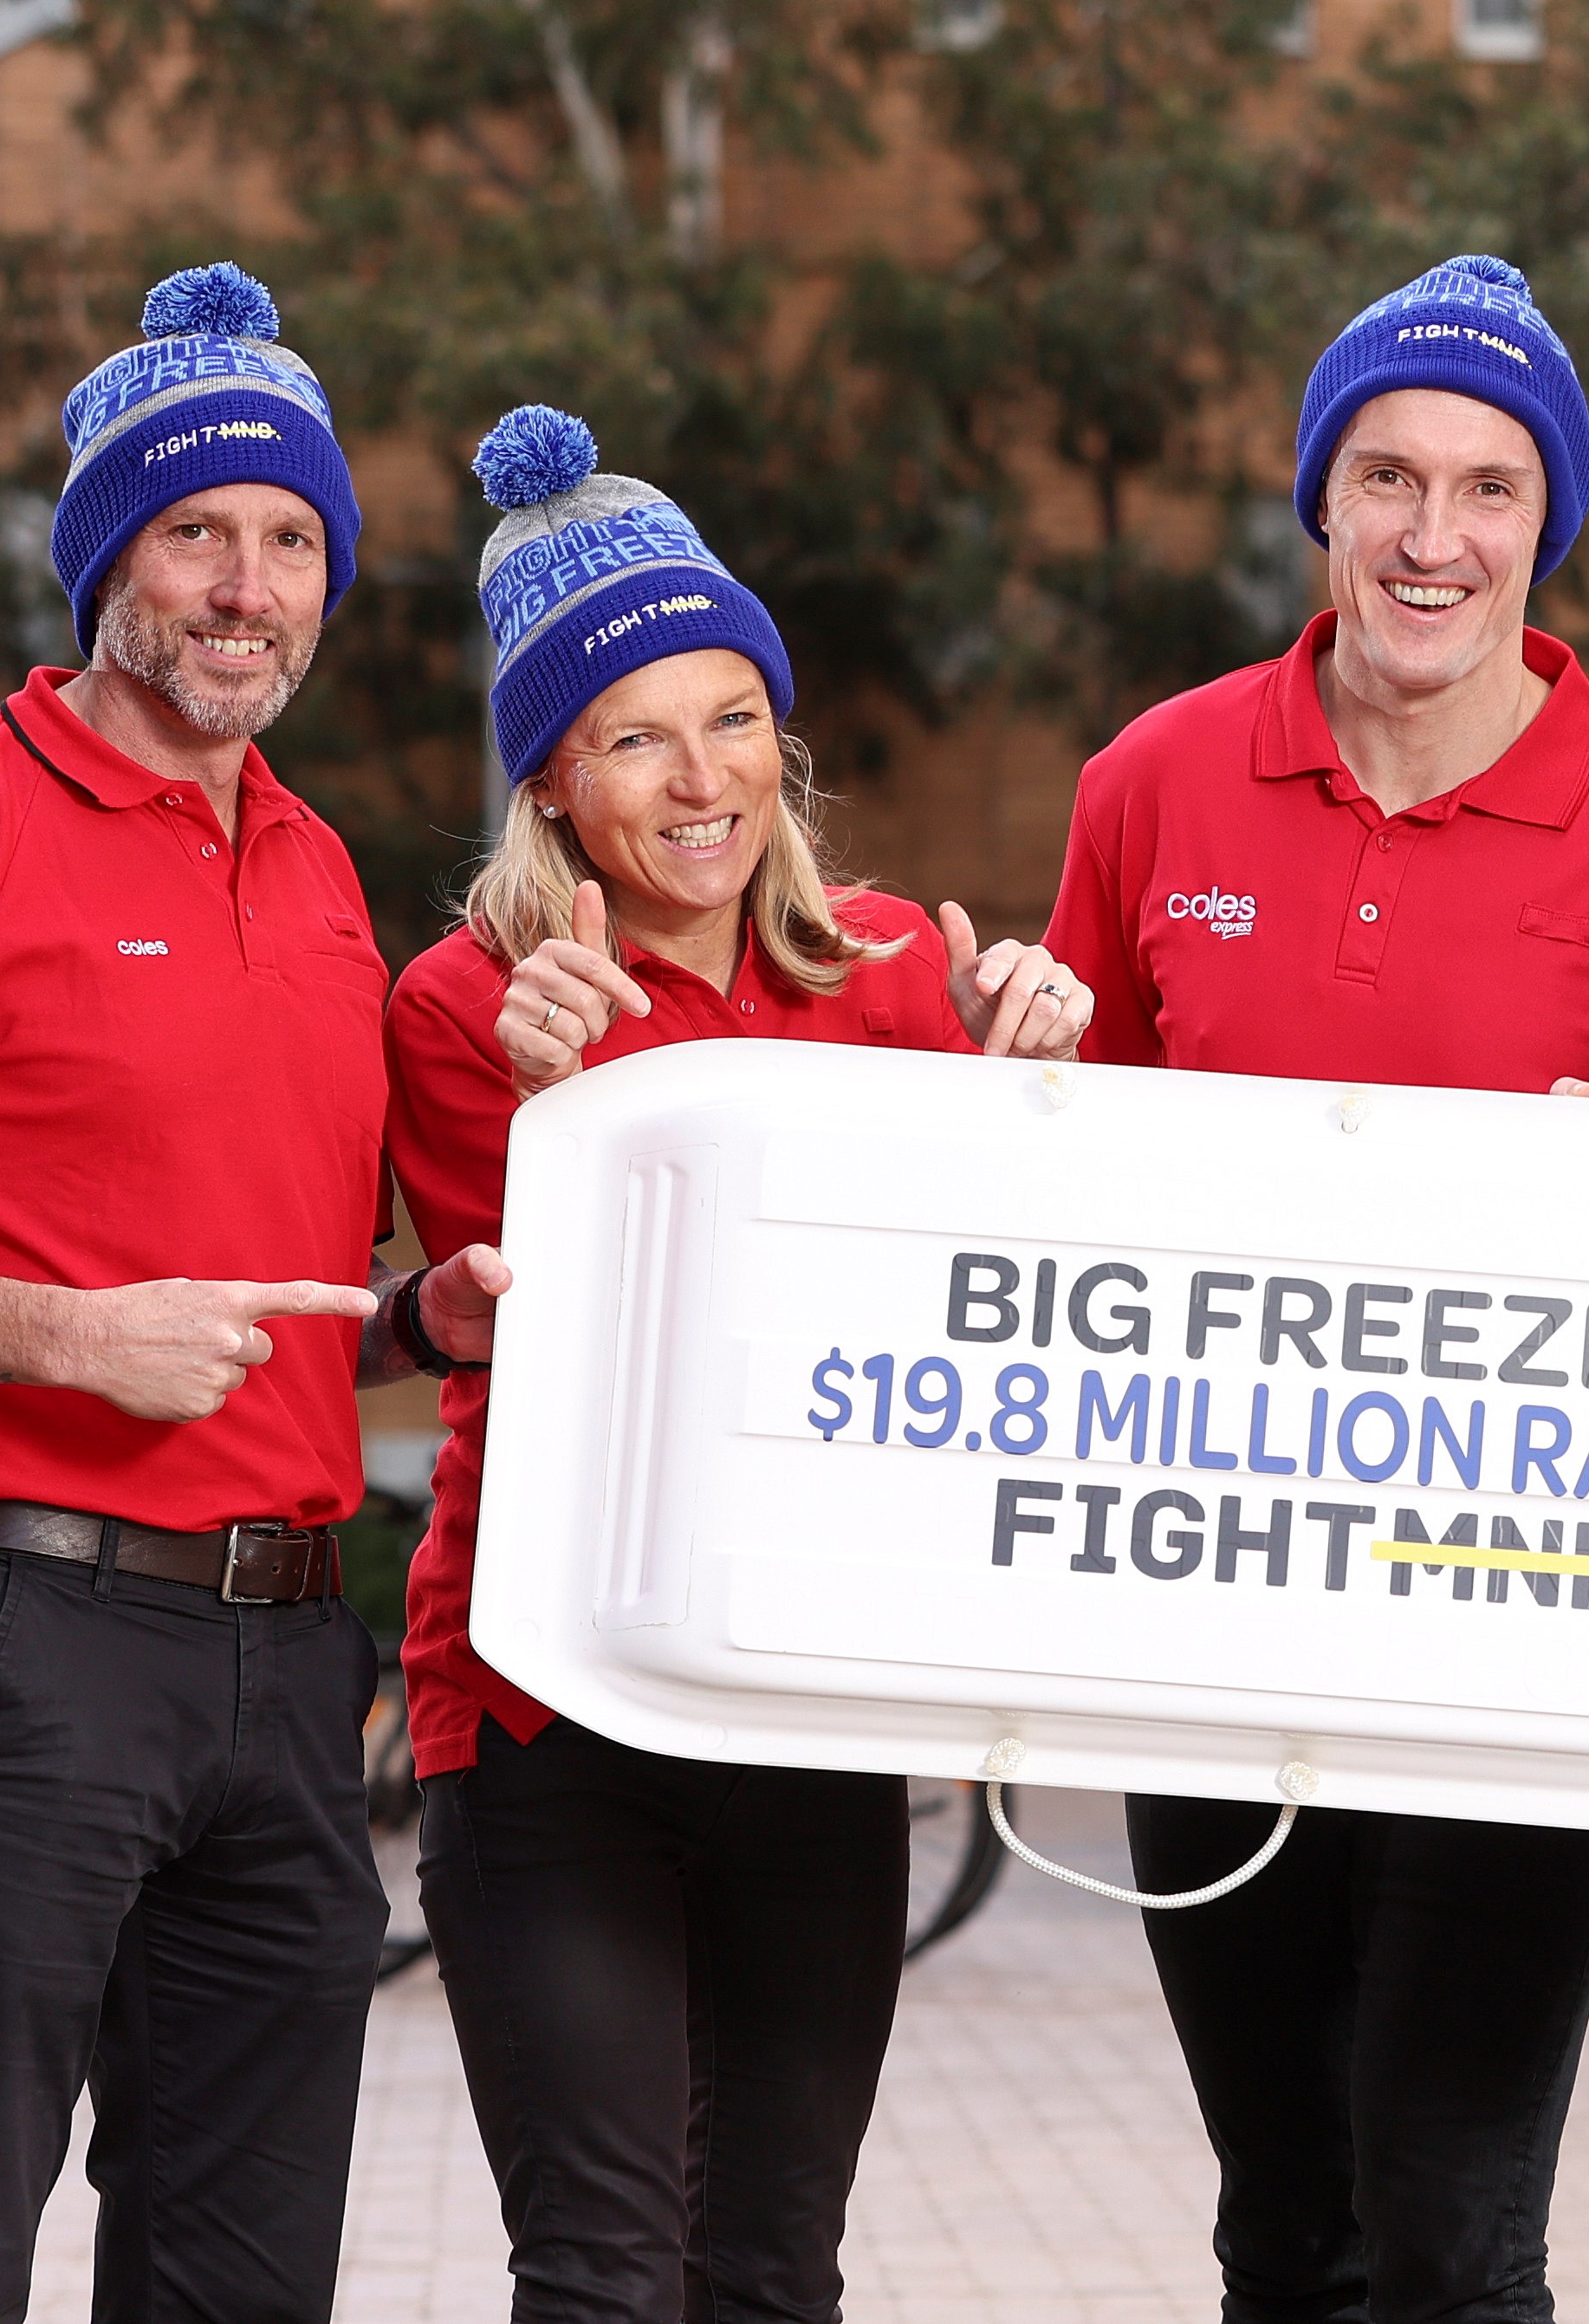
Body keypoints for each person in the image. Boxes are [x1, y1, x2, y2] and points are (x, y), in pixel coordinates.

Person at [0, 264, 506, 2323]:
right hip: (3, 1629)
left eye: (290, 541)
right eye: (196, 533)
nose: (248, 586)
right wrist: (61, 1333)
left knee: (244, 2276)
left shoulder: (327, 874)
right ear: (106, 559)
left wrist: (432, 1320)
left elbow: (288, 1272)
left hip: (280, 1660)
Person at [1039, 254, 1589, 2321]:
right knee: (1288, 2220)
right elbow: (1065, 1178)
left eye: (1490, 489)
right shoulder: (1153, 784)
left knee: (1449, 2226)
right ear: (1320, 501)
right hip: (1214, 1626)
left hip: (1518, 1643)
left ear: (1552, 522)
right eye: (1389, 478)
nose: (1436, 538)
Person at [381, 404, 1092, 2323]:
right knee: (606, 2273)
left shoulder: (897, 978)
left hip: (804, 1716)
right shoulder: (474, 1005)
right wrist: (548, 1088)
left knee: (770, 2268)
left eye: (730, 718)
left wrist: (1041, 1092)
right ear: (548, 782)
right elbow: (524, 1306)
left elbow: (1003, 1313)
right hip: (549, 1720)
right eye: (633, 735)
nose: (701, 778)